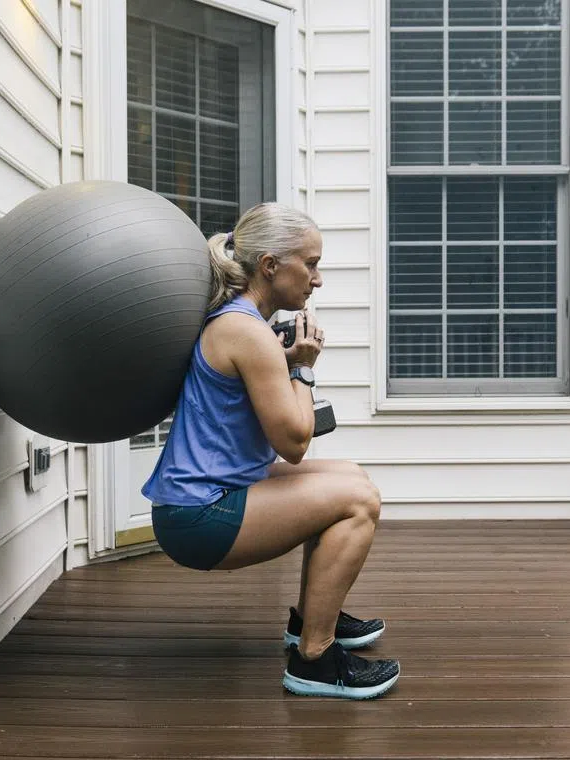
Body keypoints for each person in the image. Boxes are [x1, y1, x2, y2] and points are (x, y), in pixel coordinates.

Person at [141, 202, 400, 700]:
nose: (317, 279)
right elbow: (295, 443)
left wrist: (284, 364)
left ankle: (311, 618)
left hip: (209, 494)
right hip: (199, 516)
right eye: (310, 264)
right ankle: (315, 660)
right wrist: (302, 367)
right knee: (357, 502)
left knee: (351, 475)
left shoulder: (241, 324)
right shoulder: (246, 330)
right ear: (270, 266)